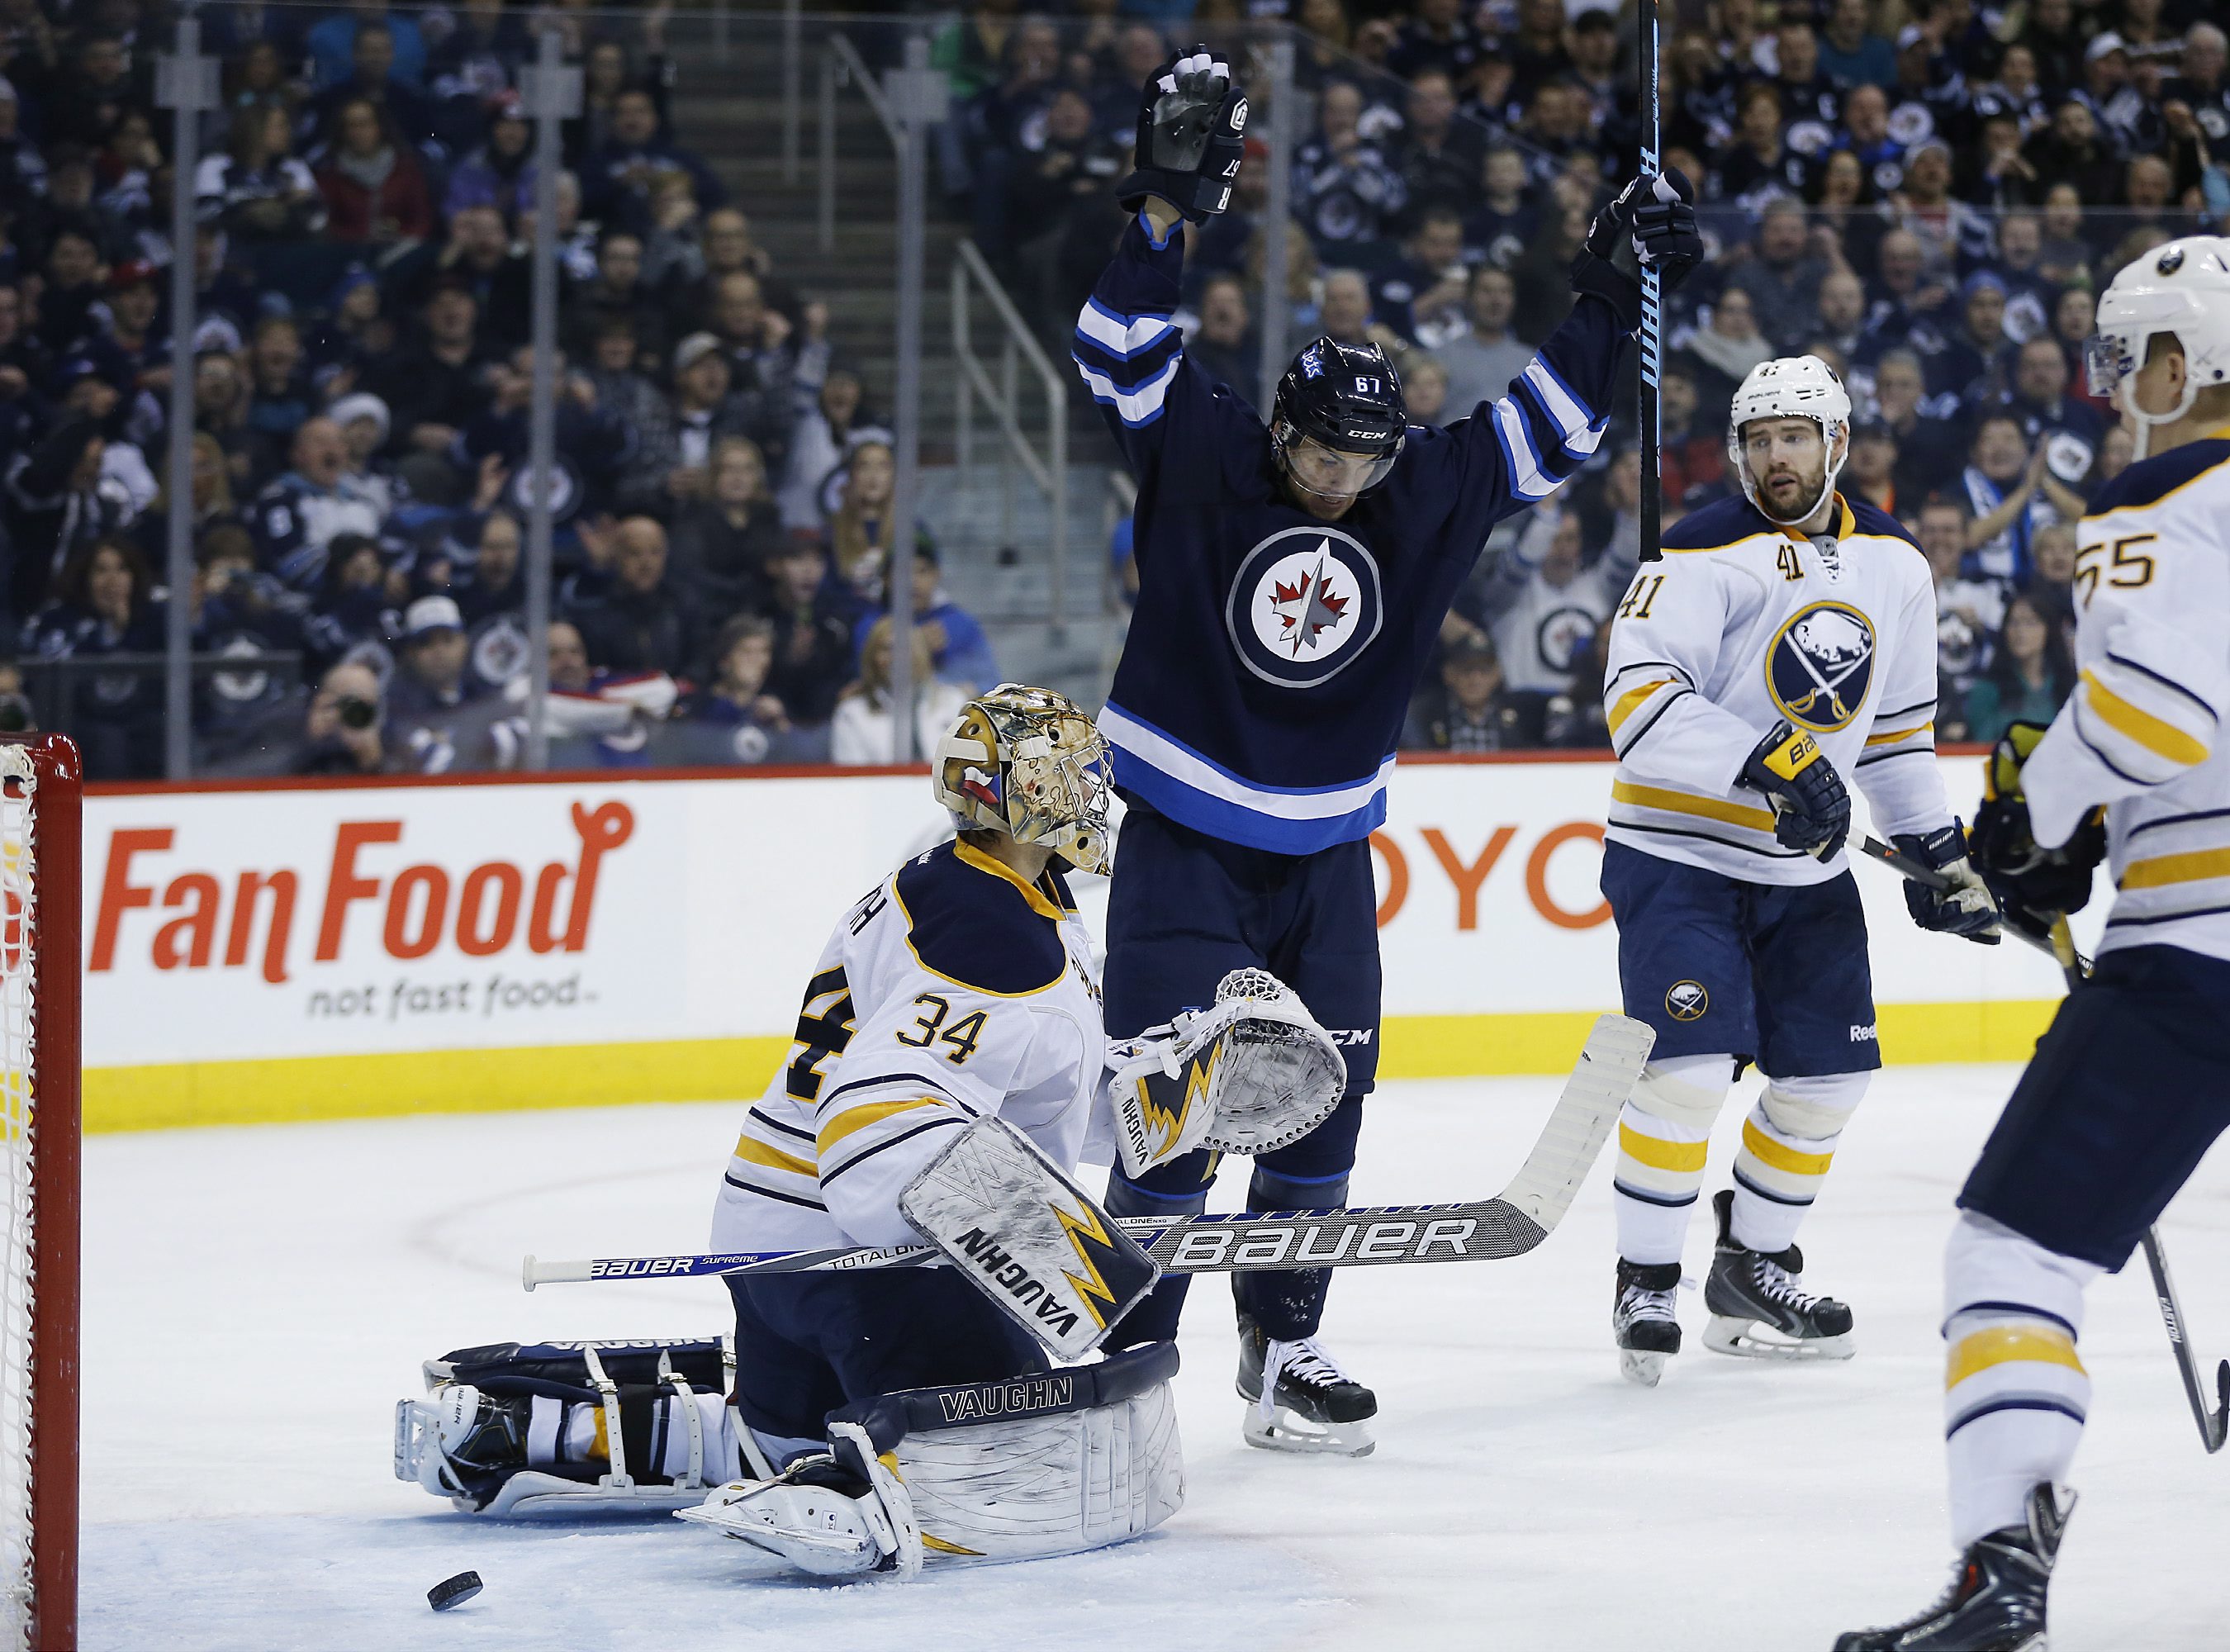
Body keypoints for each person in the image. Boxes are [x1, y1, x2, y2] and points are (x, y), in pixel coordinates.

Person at [1071, 48, 1702, 1452]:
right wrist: (1164, 219)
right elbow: (1116, 354)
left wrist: (1609, 293)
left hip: (1327, 859)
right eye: (1322, 460)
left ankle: (1285, 1352)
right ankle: (1124, 1368)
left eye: (1364, 465)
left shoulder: (1424, 491)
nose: (1342, 485)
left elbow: (1553, 427)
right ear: (1282, 429)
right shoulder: (1206, 447)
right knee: (1173, 1121)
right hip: (1182, 843)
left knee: (1324, 1122)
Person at [398, 686, 1263, 1576]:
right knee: (1028, 1446)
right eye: (1073, 769)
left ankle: (537, 1425)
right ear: (1027, 787)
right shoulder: (997, 935)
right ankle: (852, 1487)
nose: (1092, 788)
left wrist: (1171, 1109)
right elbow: (873, 1125)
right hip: (862, 1267)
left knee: (772, 1435)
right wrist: (1059, 1252)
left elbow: (1015, 1089)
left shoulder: (966, 888)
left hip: (770, 1251)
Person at [1834, 236, 2230, 1651]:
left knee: (2011, 1251)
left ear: (2187, 364)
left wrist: (2027, 814)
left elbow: (2157, 720)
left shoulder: (2168, 496)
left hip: (2202, 952)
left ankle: (2005, 1555)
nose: (2122, 389)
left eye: (2135, 360)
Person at [1597, 354, 2000, 1388]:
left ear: (1838, 444)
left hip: (1803, 874)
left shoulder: (1899, 566)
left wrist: (1938, 850)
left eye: (1795, 437)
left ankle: (1753, 1263)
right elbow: (1638, 704)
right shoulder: (1697, 550)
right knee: (1685, 1074)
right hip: (1677, 855)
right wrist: (1769, 758)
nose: (1777, 457)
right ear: (1739, 450)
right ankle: (1647, 1275)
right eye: (1760, 439)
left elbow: (1900, 738)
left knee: (1830, 1078)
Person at [830, 615, 966, 765]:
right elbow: (853, 779)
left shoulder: (954, 703)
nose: (897, 657)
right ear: (873, 657)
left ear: (921, 653)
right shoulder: (852, 714)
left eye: (906, 647)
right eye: (887, 649)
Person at [1962, 592, 2072, 743]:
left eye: (2030, 623)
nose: (2020, 632)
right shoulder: (1986, 689)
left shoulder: (2070, 687)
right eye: (2014, 623)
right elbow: (1980, 745)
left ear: (2048, 630)